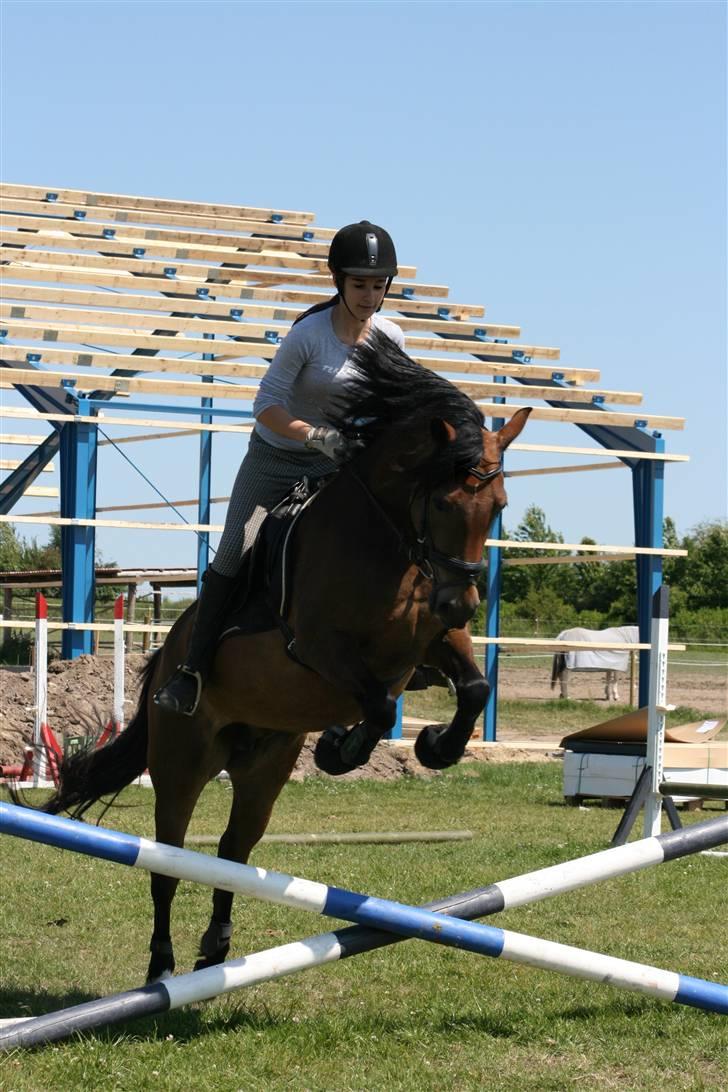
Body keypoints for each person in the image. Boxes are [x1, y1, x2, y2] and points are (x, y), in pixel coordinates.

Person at [154, 220, 406, 715]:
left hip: (338, 468)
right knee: (235, 550)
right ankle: (192, 671)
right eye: (360, 285)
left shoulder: (391, 336)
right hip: (276, 460)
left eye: (378, 286)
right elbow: (266, 404)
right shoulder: (309, 335)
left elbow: (394, 403)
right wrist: (313, 435)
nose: (369, 296)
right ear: (338, 281)